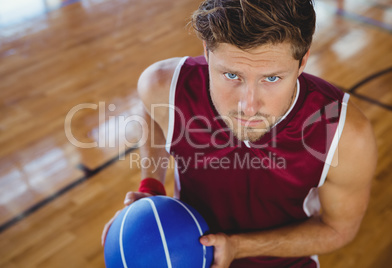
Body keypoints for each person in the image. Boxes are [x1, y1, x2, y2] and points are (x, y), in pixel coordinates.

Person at [102, 0, 377, 267]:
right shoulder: (165, 85)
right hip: (188, 251)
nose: (248, 106)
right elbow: (152, 112)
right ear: (207, 52)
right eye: (232, 75)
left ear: (302, 61)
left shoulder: (344, 133)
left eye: (271, 78)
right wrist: (150, 186)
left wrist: (239, 246)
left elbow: (337, 228)